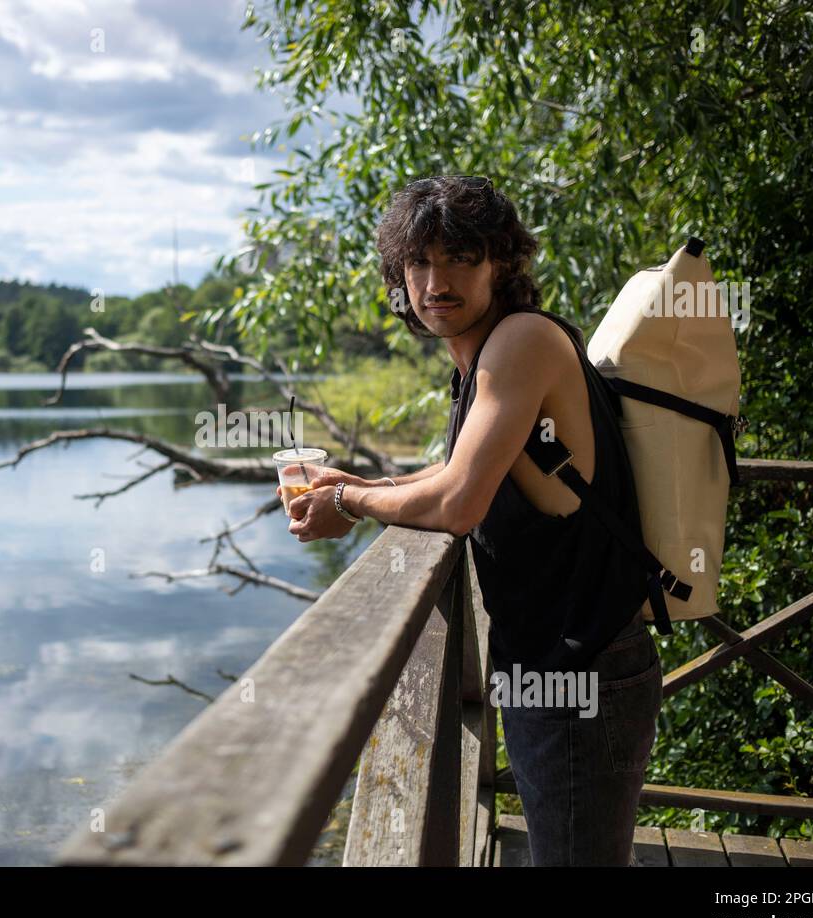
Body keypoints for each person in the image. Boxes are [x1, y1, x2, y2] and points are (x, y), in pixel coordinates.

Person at [279, 175, 661, 865]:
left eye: (460, 256)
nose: (436, 280)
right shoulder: (481, 361)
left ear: (501, 262)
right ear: (398, 277)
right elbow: (460, 471)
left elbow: (459, 502)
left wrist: (348, 503)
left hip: (587, 671)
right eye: (418, 262)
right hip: (557, 665)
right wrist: (367, 482)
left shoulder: (521, 342)